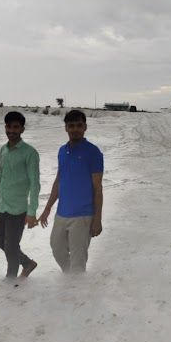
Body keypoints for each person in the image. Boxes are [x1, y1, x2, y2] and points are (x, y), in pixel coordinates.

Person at [37, 109, 106, 273]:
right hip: (62, 213)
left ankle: (76, 285)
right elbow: (59, 180)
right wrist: (47, 209)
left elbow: (98, 188)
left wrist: (97, 219)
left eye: (79, 125)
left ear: (85, 127)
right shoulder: (62, 151)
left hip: (83, 215)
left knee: (78, 261)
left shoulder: (93, 152)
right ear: (66, 128)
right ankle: (70, 281)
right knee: (57, 249)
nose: (75, 129)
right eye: (71, 125)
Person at [0, 110, 41, 282]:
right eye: (8, 127)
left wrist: (32, 212)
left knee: (11, 247)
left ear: (22, 129)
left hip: (18, 210)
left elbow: (35, 184)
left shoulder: (30, 153)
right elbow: (0, 177)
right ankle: (27, 263)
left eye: (16, 127)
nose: (11, 131)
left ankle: (11, 281)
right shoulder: (3, 150)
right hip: (3, 207)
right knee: (1, 242)